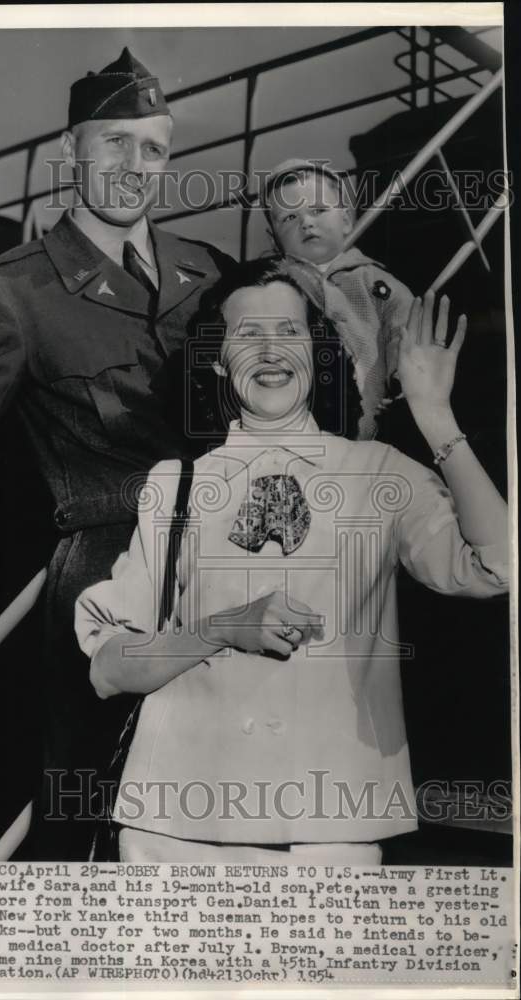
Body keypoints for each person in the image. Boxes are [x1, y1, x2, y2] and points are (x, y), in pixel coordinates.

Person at [0, 47, 232, 860]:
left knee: (227, 792)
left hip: (229, 559)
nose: (136, 166)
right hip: (106, 574)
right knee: (96, 809)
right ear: (72, 154)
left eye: (154, 148)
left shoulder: (213, 274)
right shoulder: (13, 289)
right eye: (114, 144)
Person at [75, 259, 509, 863]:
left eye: (289, 331)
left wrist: (436, 417)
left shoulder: (378, 473)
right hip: (174, 833)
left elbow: (499, 567)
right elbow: (111, 667)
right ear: (219, 359)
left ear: (319, 351)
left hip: (331, 833)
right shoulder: (174, 488)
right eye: (247, 334)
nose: (270, 350)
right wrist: (223, 627)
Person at [263, 158, 415, 439]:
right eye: (289, 217)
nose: (307, 223)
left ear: (346, 220)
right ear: (274, 239)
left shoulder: (371, 280)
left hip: (373, 419)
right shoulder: (274, 287)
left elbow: (401, 329)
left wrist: (402, 381)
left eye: (318, 210)